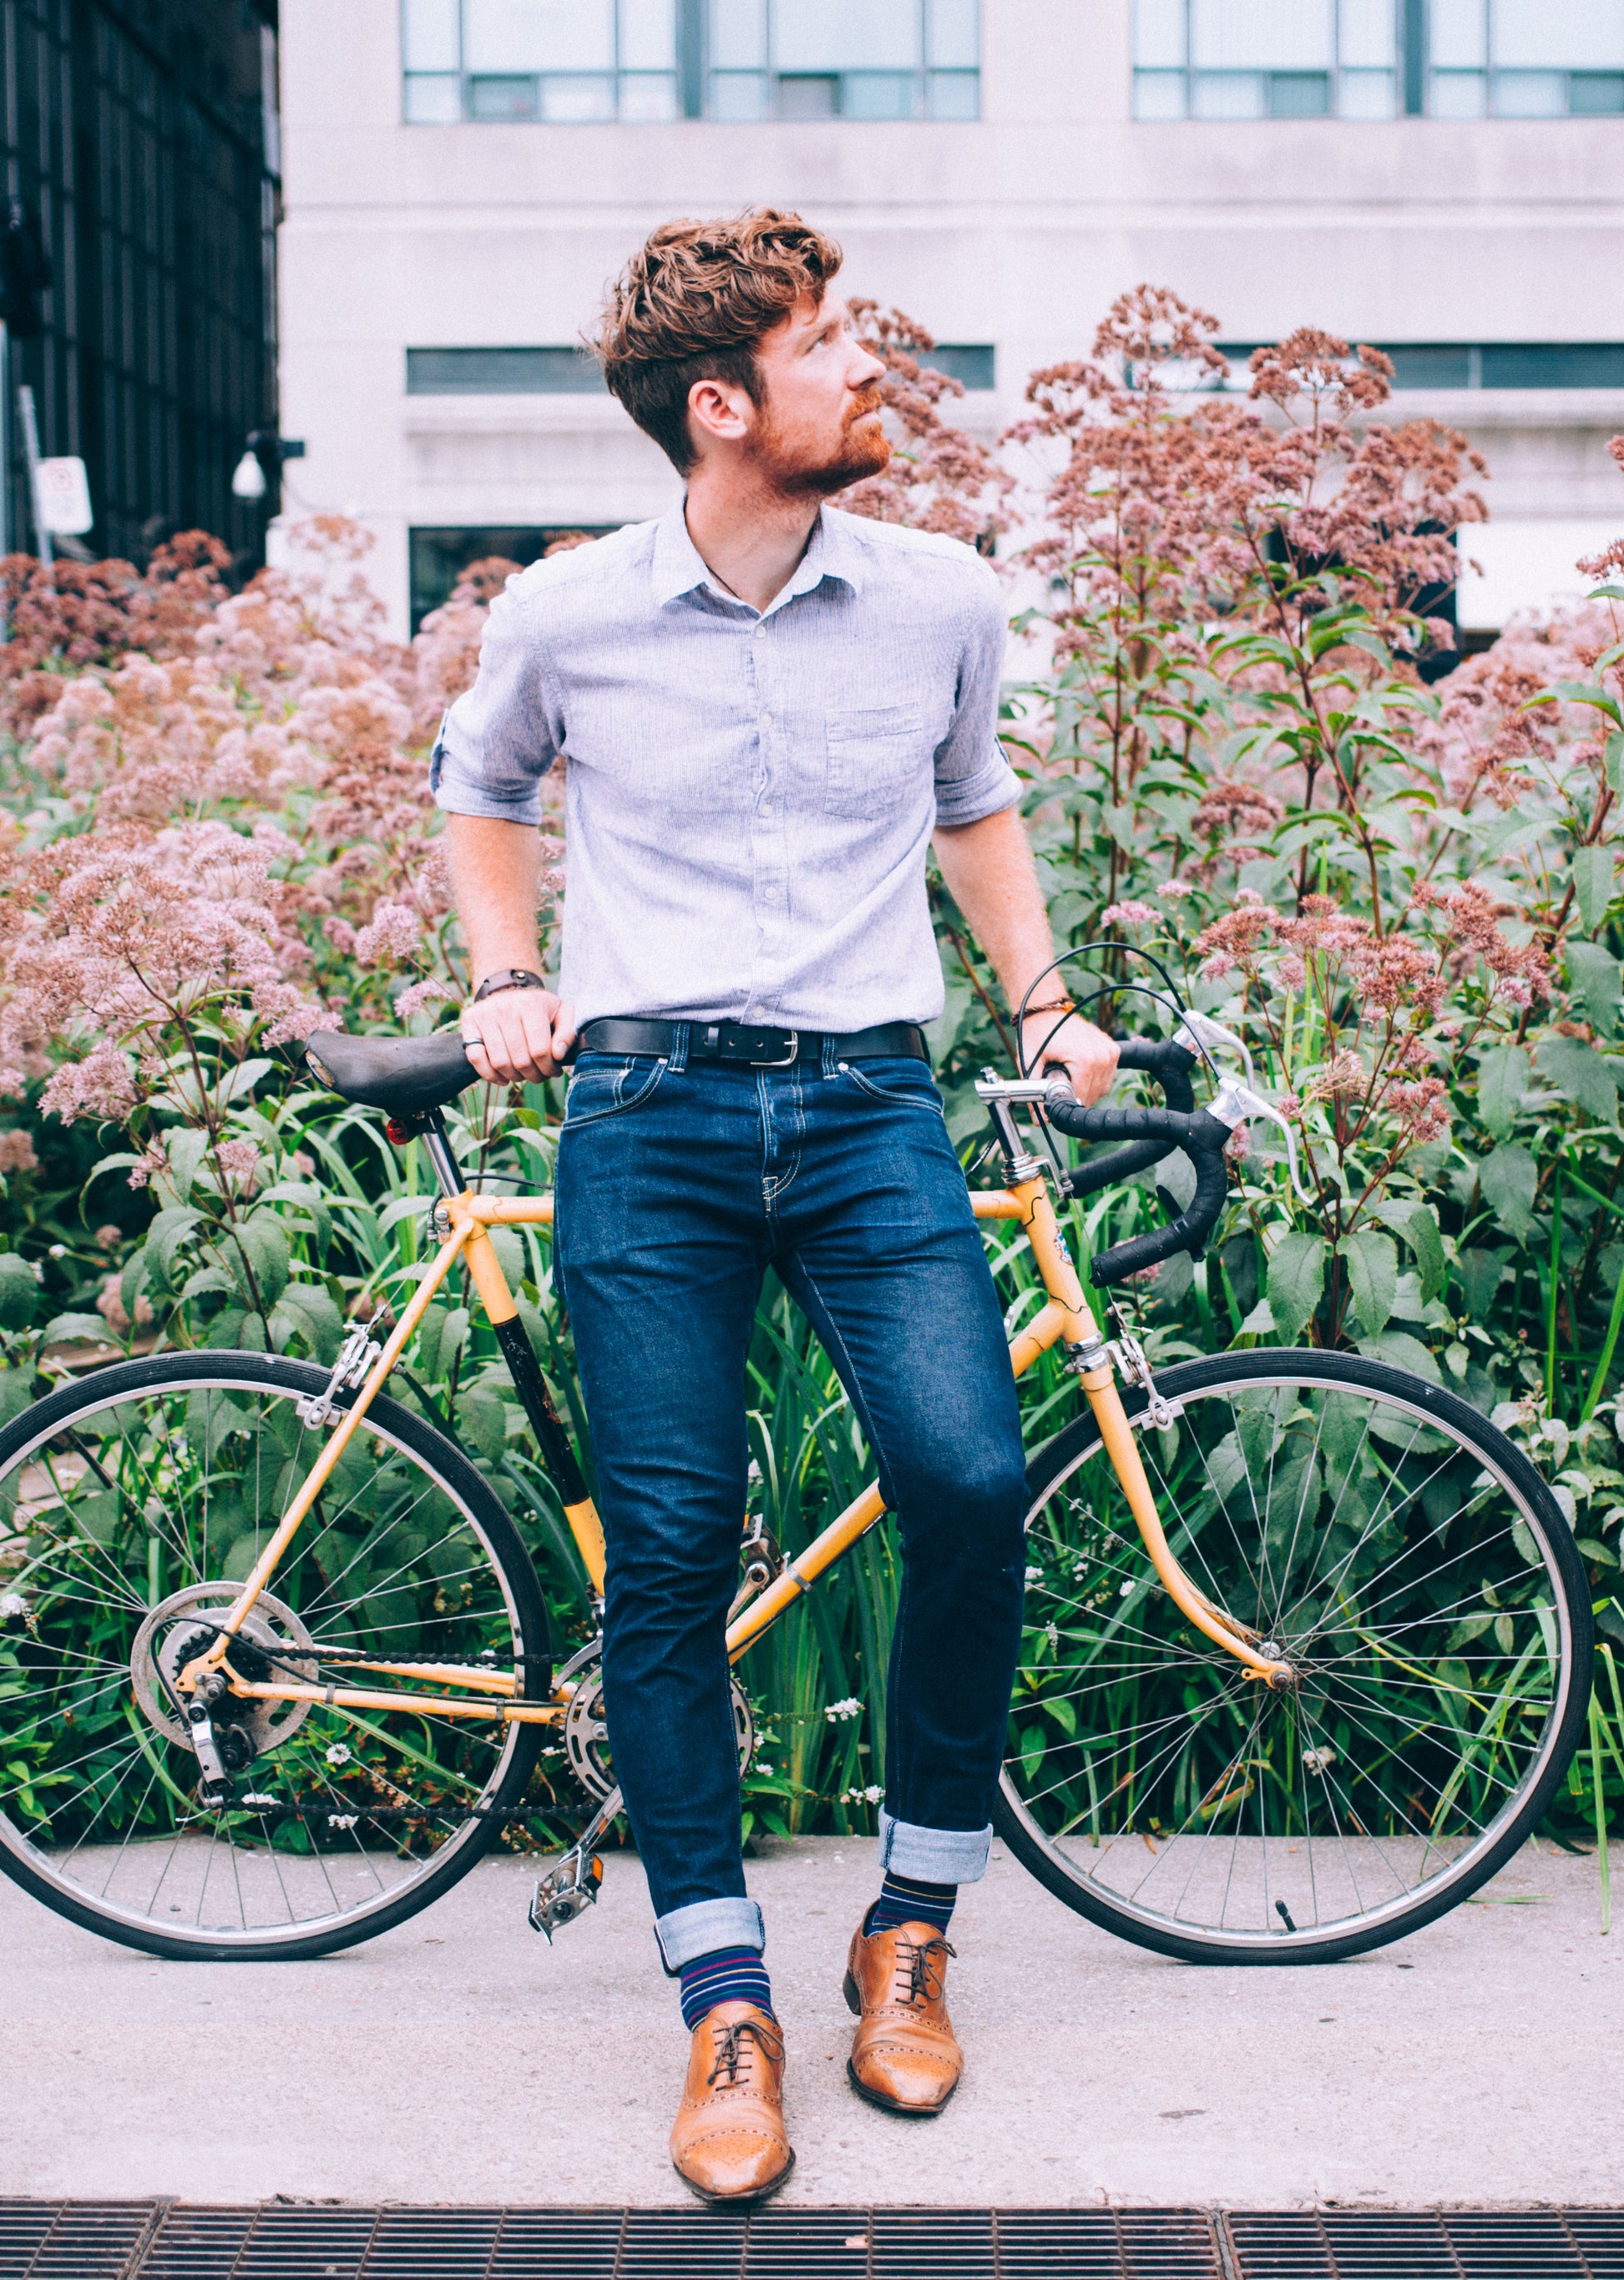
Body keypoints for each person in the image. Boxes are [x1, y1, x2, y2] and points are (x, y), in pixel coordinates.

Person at [431, 207, 1118, 2204]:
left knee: (969, 1480)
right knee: (664, 1555)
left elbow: (974, 804)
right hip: (642, 1113)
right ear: (721, 404)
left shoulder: (940, 600)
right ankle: (720, 1998)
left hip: (864, 1110)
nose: (869, 370)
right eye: (830, 344)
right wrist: (500, 977)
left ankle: (907, 1928)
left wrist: (1048, 1006)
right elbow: (481, 793)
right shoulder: (563, 614)